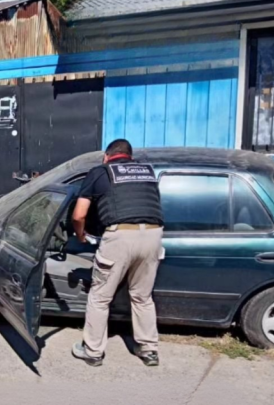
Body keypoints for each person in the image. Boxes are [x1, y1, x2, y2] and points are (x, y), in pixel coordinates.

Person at [71, 139, 164, 367]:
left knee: (100, 297)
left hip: (120, 236)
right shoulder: (147, 173)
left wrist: (81, 235)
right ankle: (148, 349)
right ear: (129, 157)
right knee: (142, 297)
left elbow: (78, 215)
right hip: (153, 234)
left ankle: (92, 351)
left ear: (106, 156)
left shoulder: (99, 172)